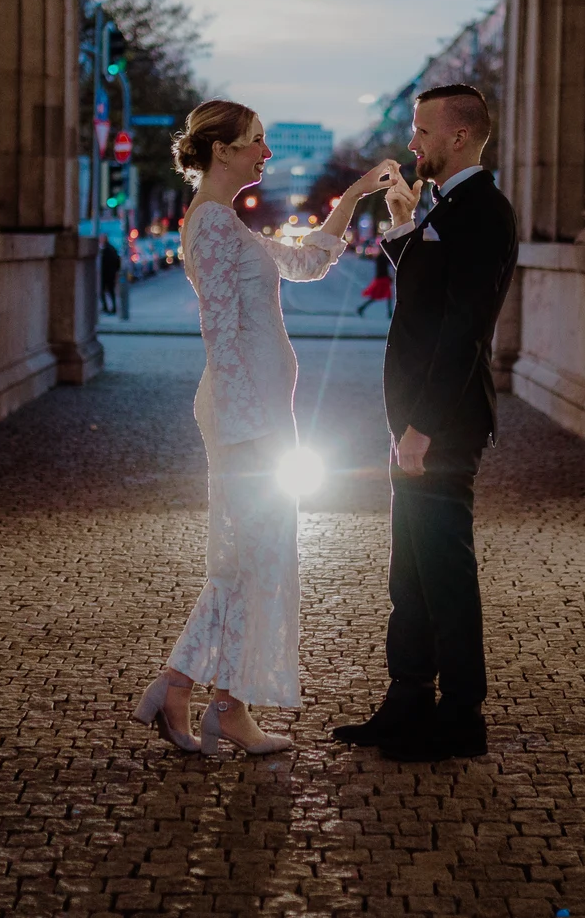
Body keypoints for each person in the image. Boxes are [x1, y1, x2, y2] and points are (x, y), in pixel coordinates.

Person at [132, 100, 400, 757]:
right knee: (255, 560)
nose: (267, 154)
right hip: (246, 417)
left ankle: (203, 695)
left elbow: (308, 261)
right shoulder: (215, 228)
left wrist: (358, 193)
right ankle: (207, 696)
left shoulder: (228, 226)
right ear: (221, 151)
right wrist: (248, 430)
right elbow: (219, 335)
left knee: (250, 561)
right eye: (256, 142)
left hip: (256, 412)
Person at [329, 83, 519, 763]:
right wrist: (406, 224)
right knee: (408, 571)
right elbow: (420, 304)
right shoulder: (447, 204)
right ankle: (407, 698)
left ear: (459, 136)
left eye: (422, 131)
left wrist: (423, 428)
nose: (412, 143)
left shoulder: (485, 211)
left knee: (443, 570)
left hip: (441, 424)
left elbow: (462, 330)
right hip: (413, 418)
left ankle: (462, 714)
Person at [356, 247, 394, 316]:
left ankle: (361, 308)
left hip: (382, 279)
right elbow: (382, 269)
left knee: (386, 296)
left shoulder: (381, 257)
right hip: (382, 279)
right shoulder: (381, 258)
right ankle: (361, 308)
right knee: (380, 296)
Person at [99, 238, 121, 313]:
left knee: (104, 291)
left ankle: (107, 307)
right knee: (110, 291)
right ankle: (111, 307)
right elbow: (117, 261)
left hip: (106, 274)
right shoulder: (111, 249)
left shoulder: (105, 250)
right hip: (110, 274)